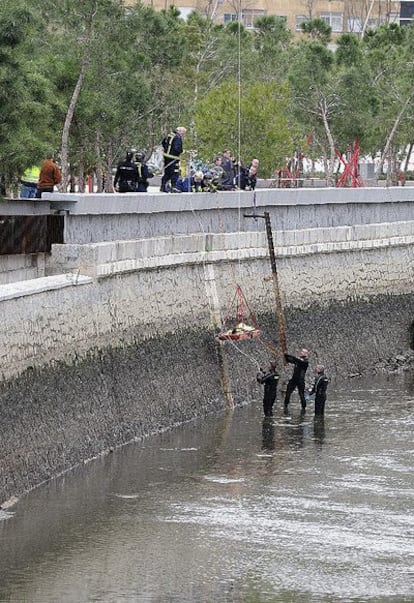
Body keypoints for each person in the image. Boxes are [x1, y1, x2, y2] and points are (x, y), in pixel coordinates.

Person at [160, 126, 186, 192]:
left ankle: (163, 186)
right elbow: (177, 148)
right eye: (183, 133)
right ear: (179, 131)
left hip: (166, 157)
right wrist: (183, 151)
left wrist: (166, 150)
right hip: (173, 158)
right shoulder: (177, 137)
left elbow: (163, 142)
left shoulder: (169, 135)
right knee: (175, 172)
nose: (183, 135)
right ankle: (173, 187)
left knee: (167, 173)